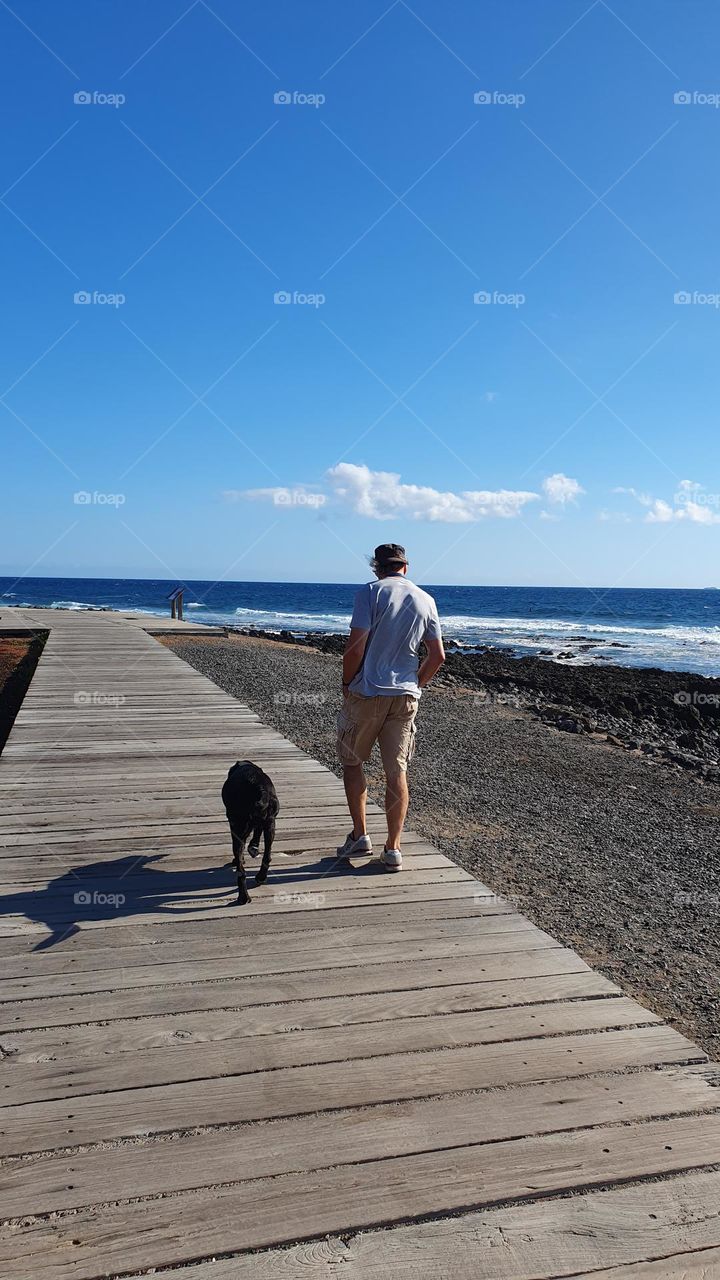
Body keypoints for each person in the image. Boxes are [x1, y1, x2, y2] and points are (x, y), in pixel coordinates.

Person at [336, 543, 445, 871]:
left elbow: (355, 648)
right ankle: (393, 848)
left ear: (376, 567)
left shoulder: (369, 593)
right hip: (405, 696)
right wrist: (417, 684)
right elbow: (437, 656)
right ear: (406, 568)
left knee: (352, 762)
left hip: (368, 692)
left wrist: (346, 683)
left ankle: (360, 836)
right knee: (397, 770)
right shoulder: (426, 599)